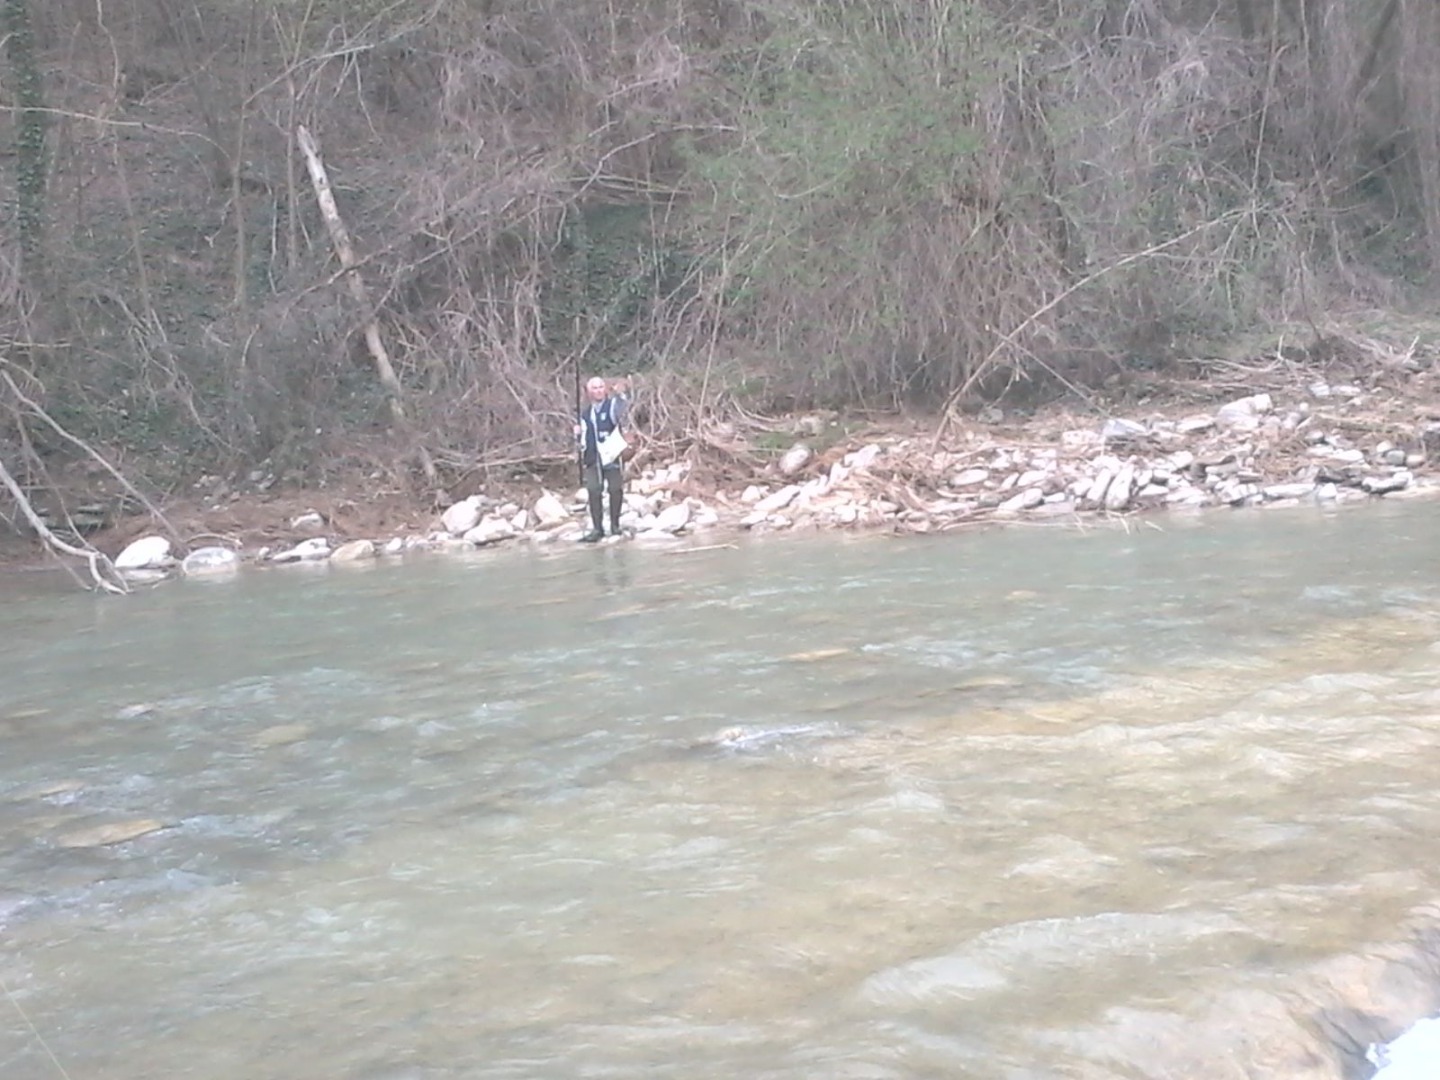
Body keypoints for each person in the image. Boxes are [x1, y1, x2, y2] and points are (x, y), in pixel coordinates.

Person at [574, 376, 629, 542]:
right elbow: (582, 440)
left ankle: (615, 526)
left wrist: (620, 394)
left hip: (611, 456)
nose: (598, 391)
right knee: (593, 491)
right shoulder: (585, 414)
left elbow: (621, 407)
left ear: (605, 389)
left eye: (600, 387)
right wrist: (577, 435)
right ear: (589, 392)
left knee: (615, 489)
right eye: (594, 388)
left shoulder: (611, 406)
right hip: (593, 457)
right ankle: (597, 529)